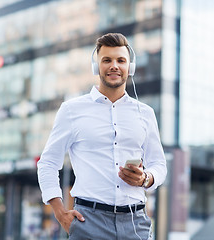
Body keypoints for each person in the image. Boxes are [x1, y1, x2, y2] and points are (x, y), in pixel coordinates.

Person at [37, 32, 167, 240]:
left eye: (121, 60)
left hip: (136, 223)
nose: (114, 65)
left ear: (129, 67)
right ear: (96, 66)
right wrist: (59, 211)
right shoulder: (72, 110)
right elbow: (48, 163)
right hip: (89, 222)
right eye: (107, 60)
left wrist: (146, 178)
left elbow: (159, 164)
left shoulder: (145, 114)